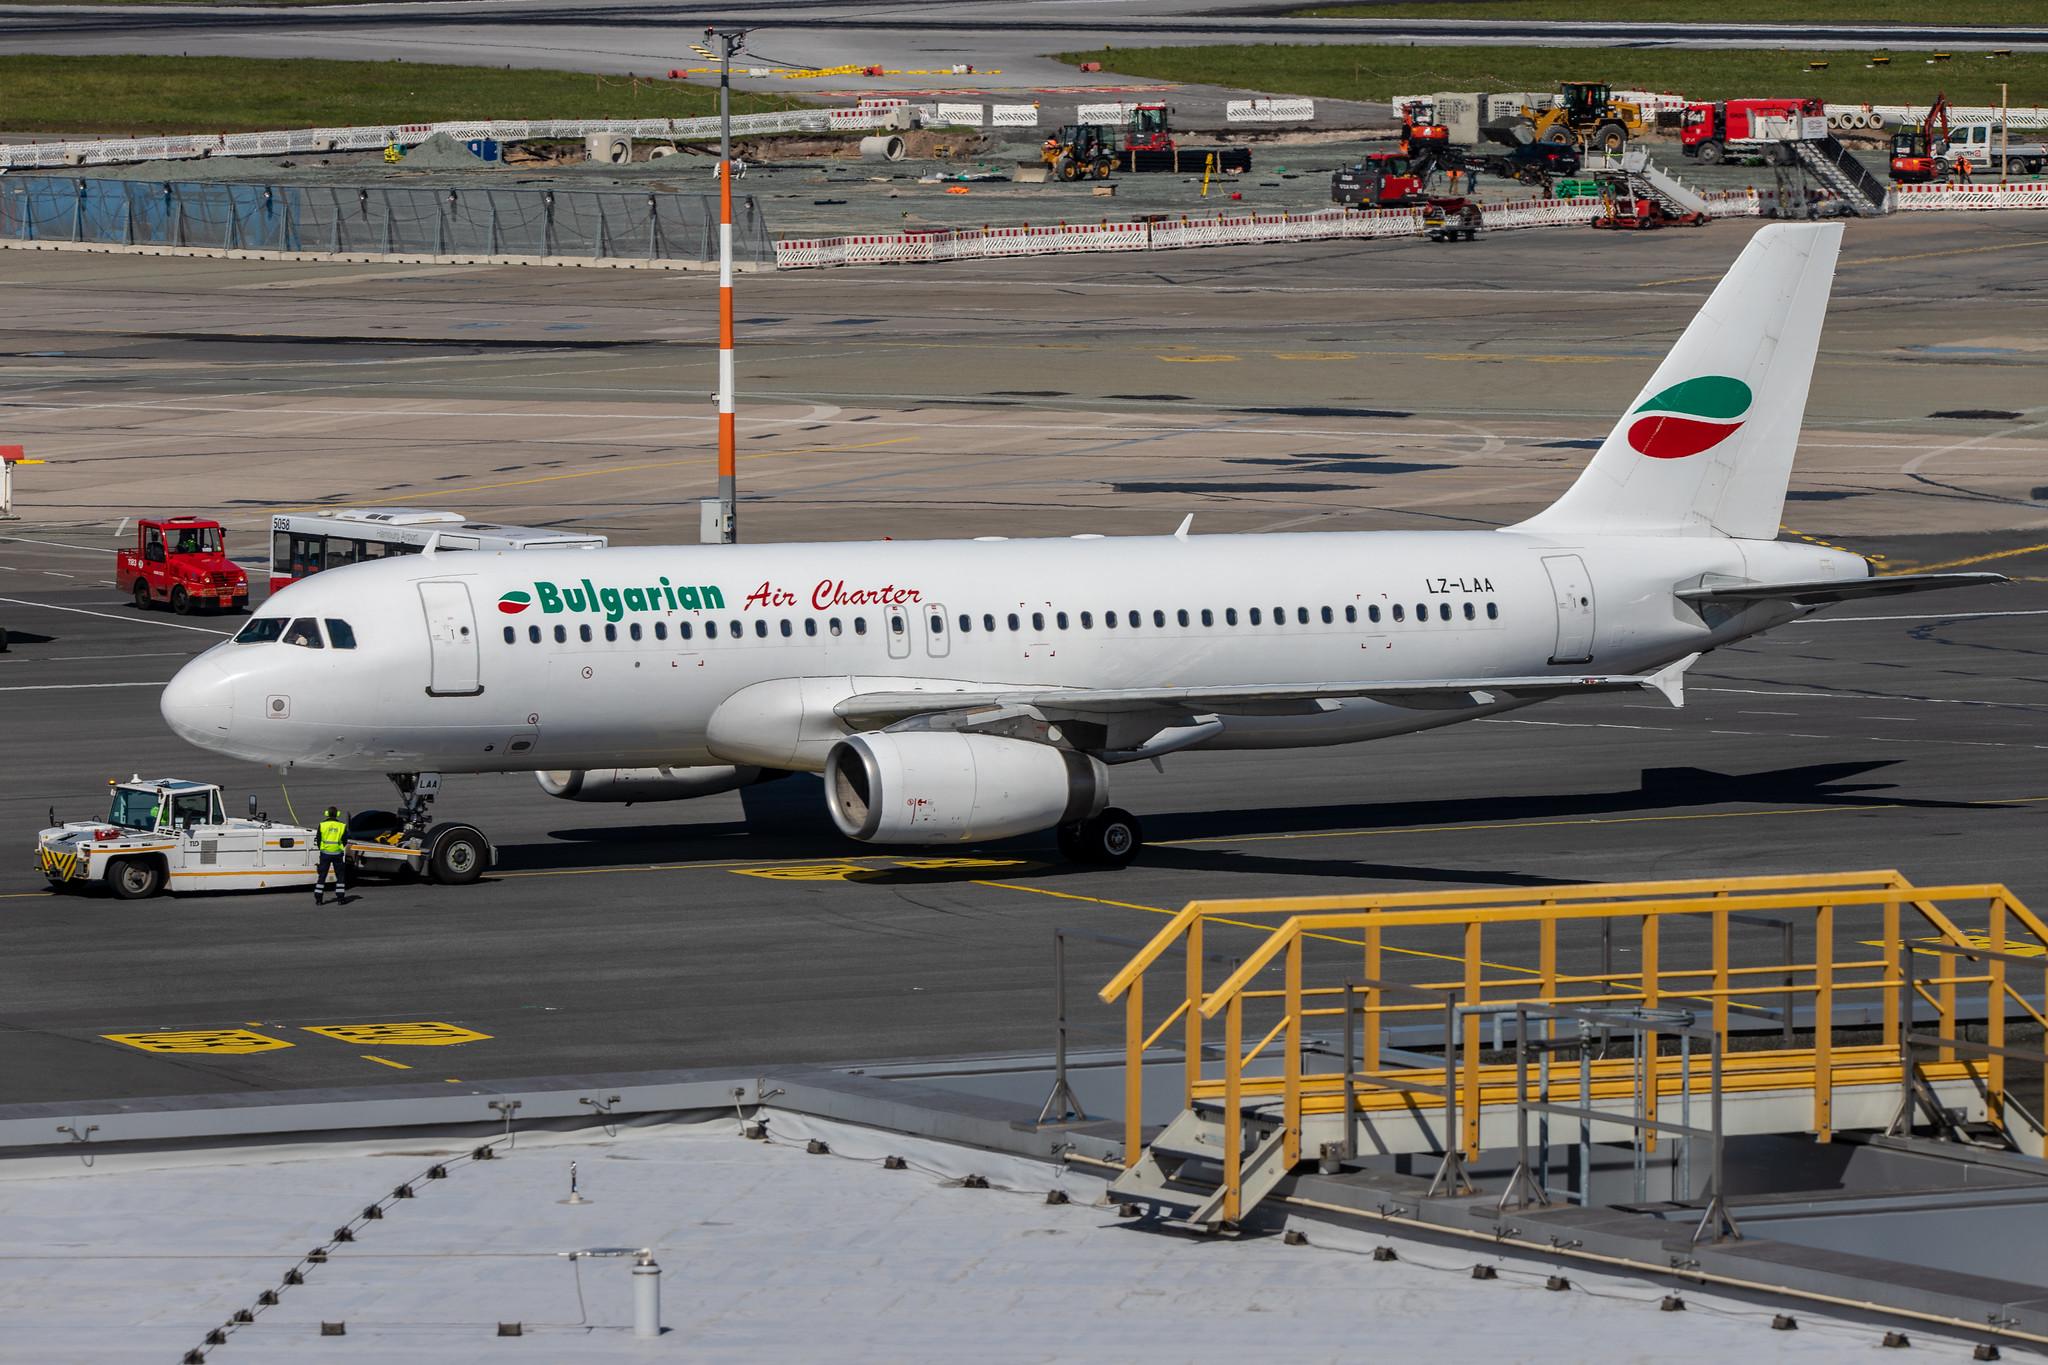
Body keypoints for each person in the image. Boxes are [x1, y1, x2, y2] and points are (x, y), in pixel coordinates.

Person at [315, 806, 350, 906]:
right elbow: (345, 840)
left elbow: (318, 839)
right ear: (337, 814)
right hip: (337, 854)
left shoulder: (322, 825)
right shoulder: (342, 826)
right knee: (340, 877)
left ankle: (318, 899)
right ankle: (340, 898)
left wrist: (322, 849)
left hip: (325, 854)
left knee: (322, 876)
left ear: (327, 814)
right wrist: (339, 848)